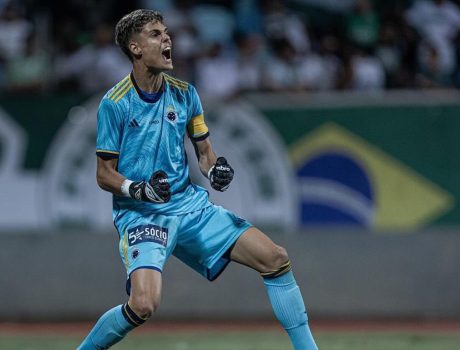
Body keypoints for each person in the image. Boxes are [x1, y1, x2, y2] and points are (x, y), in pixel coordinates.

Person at [77, 9, 318, 350]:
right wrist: (137, 189)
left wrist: (216, 169)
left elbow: (205, 153)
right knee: (143, 305)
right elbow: (104, 174)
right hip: (142, 214)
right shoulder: (114, 104)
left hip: (190, 206)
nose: (167, 39)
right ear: (135, 48)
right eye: (156, 34)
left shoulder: (186, 94)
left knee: (276, 259)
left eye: (167, 33)